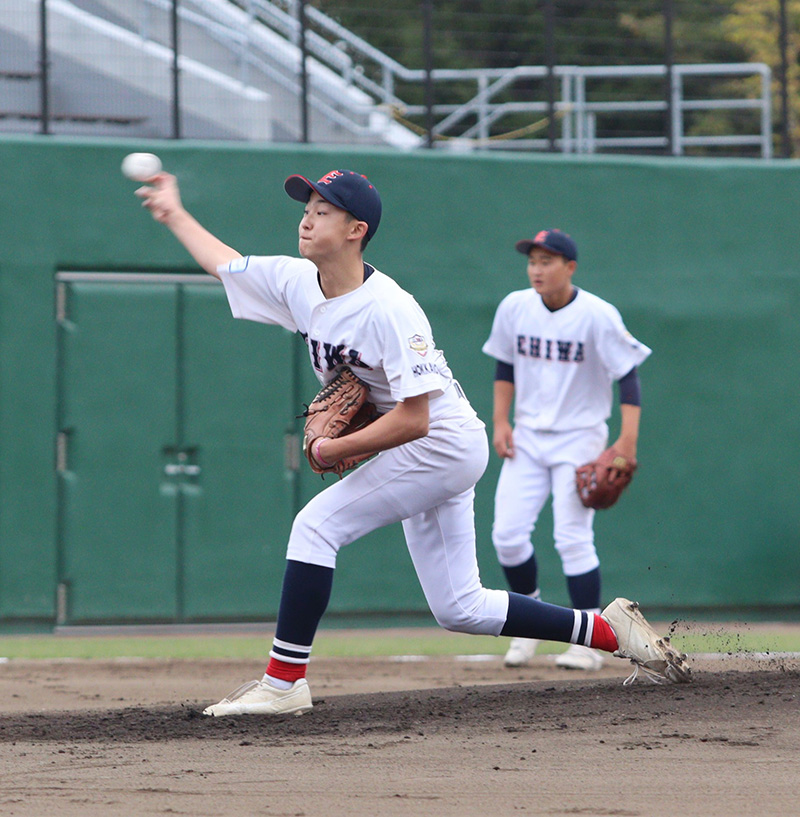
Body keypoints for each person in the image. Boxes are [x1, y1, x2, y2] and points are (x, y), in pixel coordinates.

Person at [134, 170, 688, 716]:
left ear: (356, 230)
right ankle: (609, 630)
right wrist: (173, 213)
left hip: (441, 443)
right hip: (428, 448)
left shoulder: (391, 308)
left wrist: (332, 450)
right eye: (305, 209)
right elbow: (225, 264)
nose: (306, 219)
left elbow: (416, 419)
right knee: (461, 607)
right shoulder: (295, 281)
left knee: (315, 526)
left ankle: (283, 683)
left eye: (322, 211)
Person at [482, 229, 651, 672]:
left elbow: (628, 377)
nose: (536, 269)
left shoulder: (597, 315)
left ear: (570, 267)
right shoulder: (514, 307)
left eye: (547, 261)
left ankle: (588, 640)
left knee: (572, 538)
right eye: (532, 261)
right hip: (528, 436)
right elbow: (504, 366)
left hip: (580, 437)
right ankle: (529, 623)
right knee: (507, 536)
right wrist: (500, 421)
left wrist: (627, 440)